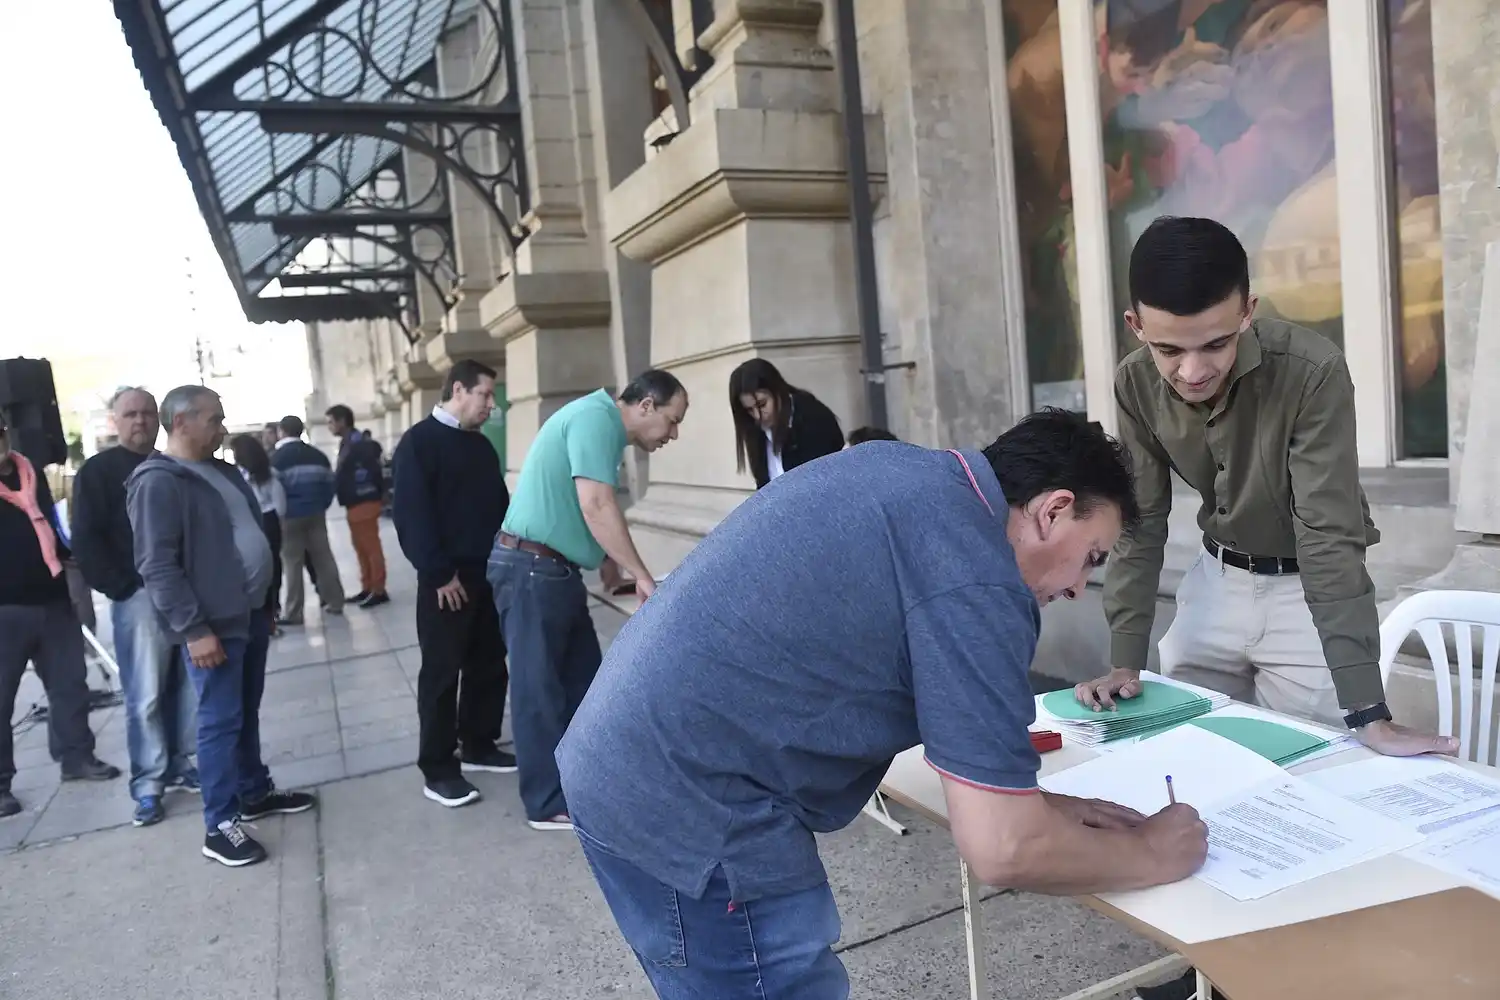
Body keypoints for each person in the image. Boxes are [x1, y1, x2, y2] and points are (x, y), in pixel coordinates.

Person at [556, 409, 1208, 998]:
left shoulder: (904, 475)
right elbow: (1003, 848)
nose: (1076, 588)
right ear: (1053, 510)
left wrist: (1037, 806)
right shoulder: (976, 575)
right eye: (1091, 558)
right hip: (692, 806)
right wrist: (1155, 852)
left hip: (621, 761)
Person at [1073, 217, 1455, 758]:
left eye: (1216, 343)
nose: (1192, 371)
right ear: (1136, 325)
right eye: (1169, 350)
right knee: (1191, 756)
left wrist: (1368, 710)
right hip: (1213, 584)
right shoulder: (1134, 382)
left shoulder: (1312, 372)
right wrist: (1124, 661)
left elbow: (1328, 532)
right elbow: (1141, 519)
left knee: (1316, 763)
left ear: (1247, 311)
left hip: (1306, 593)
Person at [492, 369, 688, 832]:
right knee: (539, 690)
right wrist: (641, 575)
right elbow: (596, 504)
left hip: (550, 570)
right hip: (531, 570)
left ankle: (589, 785)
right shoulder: (596, 419)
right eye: (673, 420)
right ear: (646, 405)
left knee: (584, 687)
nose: (674, 434)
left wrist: (607, 563)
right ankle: (546, 803)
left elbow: (577, 503)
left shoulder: (598, 424)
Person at [128, 386, 315, 866]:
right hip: (212, 624)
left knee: (243, 712)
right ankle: (219, 824)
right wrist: (193, 630)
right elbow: (157, 566)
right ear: (182, 422)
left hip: (249, 613)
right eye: (214, 419)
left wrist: (266, 601)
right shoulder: (158, 482)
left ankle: (254, 792)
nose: (223, 428)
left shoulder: (223, 470)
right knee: (219, 720)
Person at [72, 387, 198, 827]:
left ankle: (180, 763)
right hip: (138, 598)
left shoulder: (174, 465)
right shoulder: (97, 472)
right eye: (130, 414)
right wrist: (122, 587)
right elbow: (85, 538)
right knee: (145, 695)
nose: (140, 420)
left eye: (147, 413)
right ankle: (148, 784)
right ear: (115, 421)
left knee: (185, 687)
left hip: (183, 593)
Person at [392, 360, 514, 809]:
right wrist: (438, 573)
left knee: (489, 663)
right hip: (447, 579)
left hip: (488, 573)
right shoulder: (419, 443)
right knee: (442, 674)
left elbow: (499, 505)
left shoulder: (479, 446)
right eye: (485, 395)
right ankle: (439, 767)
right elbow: (412, 515)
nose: (491, 405)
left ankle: (479, 742)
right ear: (458, 390)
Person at [0, 411, 122, 820]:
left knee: (70, 686)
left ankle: (77, 758)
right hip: (4, 609)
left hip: (52, 598)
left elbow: (49, 522)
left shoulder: (29, 471)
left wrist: (70, 554)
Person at [270, 415, 344, 624]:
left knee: (292, 563)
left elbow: (274, 491)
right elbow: (330, 484)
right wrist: (322, 504)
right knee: (324, 558)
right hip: (316, 513)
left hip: (289, 517)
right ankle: (336, 601)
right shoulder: (318, 456)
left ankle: (294, 611)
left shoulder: (276, 459)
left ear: (282, 431)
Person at [729, 359, 845, 488]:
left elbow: (820, 484)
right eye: (749, 410)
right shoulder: (756, 430)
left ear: (777, 390)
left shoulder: (812, 419)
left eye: (762, 404)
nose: (758, 415)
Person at [325, 404, 389, 608]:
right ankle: (368, 586)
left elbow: (369, 473)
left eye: (331, 422)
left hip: (364, 500)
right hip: (354, 502)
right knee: (361, 547)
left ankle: (379, 589)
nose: (329, 426)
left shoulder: (358, 444)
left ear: (342, 421)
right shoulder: (348, 443)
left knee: (370, 547)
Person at [229, 435, 287, 632]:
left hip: (255, 520)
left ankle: (266, 612)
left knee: (261, 567)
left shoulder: (241, 476)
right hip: (269, 521)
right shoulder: (267, 474)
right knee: (272, 566)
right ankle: (270, 611)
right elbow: (280, 505)